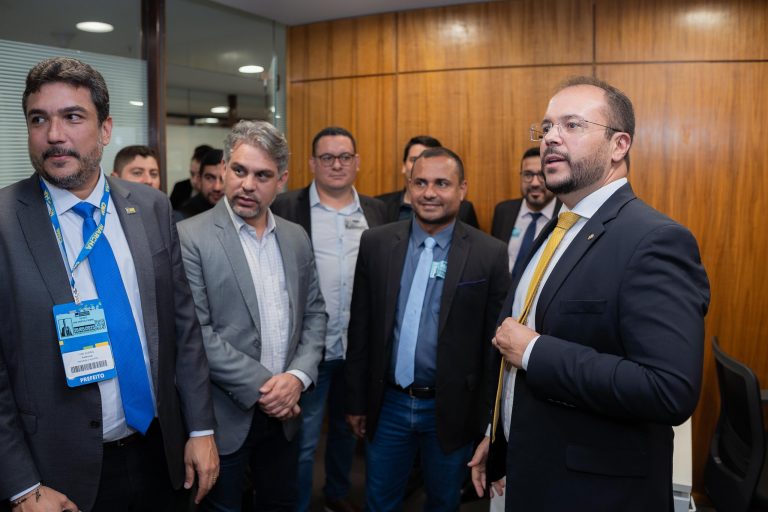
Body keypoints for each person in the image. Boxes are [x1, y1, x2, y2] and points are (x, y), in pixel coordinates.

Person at [469, 76, 710, 511]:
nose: (550, 137)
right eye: (546, 127)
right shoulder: (558, 227)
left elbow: (668, 389)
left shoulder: (655, 240)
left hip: (595, 494)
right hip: (531, 471)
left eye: (572, 125)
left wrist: (535, 351)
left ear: (619, 145)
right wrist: (499, 433)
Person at [0, 56, 218, 511]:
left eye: (72, 117)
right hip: (57, 476)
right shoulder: (5, 222)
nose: (54, 135)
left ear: (105, 129)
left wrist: (200, 428)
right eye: (39, 119)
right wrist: (22, 486)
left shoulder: (152, 207)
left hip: (160, 449)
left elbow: (183, 328)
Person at [345, 147, 510, 511]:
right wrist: (355, 400)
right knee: (379, 500)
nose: (429, 192)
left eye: (441, 183)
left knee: (443, 501)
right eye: (420, 183)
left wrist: (488, 423)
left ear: (462, 189)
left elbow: (493, 350)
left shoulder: (489, 254)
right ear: (409, 186)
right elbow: (360, 328)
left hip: (451, 409)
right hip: (388, 403)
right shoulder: (376, 243)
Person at [178, 120, 326, 512]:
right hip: (225, 416)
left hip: (286, 417)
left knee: (280, 503)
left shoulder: (296, 237)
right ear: (224, 168)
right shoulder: (190, 237)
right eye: (240, 170)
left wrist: (297, 378)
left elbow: (315, 315)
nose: (247, 184)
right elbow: (197, 333)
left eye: (262, 175)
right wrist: (271, 390)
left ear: (282, 180)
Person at [271, 126, 386, 512]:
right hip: (309, 350)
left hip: (358, 350)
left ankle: (336, 495)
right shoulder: (285, 207)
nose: (337, 165)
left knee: (347, 430)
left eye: (345, 157)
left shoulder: (376, 211)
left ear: (357, 162)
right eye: (327, 158)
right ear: (312, 163)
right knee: (303, 442)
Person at [376, 136, 479, 228]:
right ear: (403, 166)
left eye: (441, 184)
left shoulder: (464, 209)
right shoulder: (379, 205)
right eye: (414, 160)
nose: (422, 165)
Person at [491, 147, 559, 279]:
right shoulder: (503, 211)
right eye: (528, 175)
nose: (534, 183)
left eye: (542, 175)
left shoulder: (567, 214)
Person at [177, 149, 225, 219]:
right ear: (200, 179)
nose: (217, 187)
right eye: (209, 178)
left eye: (224, 179)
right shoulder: (185, 216)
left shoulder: (239, 211)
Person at [170, 144, 214, 209]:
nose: (194, 181)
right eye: (192, 174)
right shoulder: (179, 188)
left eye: (199, 175)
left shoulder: (217, 192)